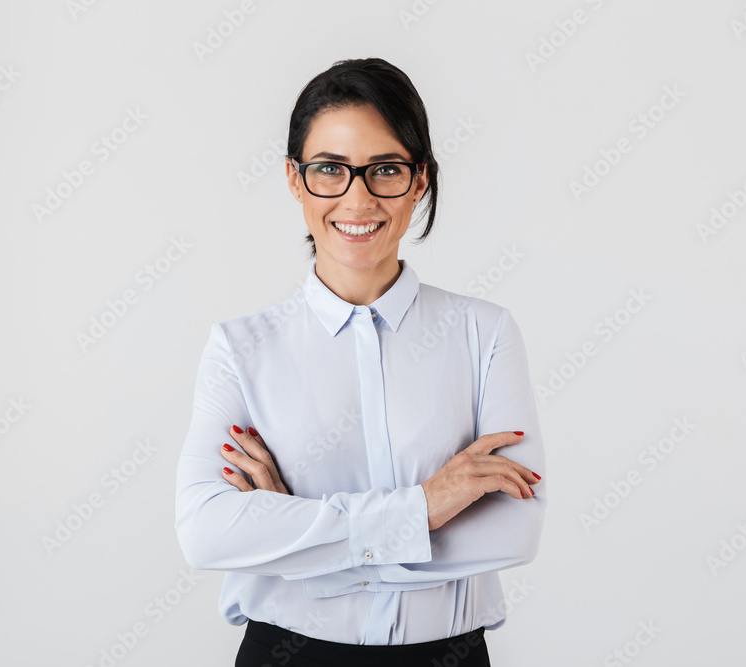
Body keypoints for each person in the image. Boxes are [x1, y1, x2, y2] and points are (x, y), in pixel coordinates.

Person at [175, 57, 546, 667]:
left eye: (385, 169)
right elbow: (206, 531)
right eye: (330, 169)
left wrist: (292, 533)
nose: (358, 197)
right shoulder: (239, 348)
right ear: (295, 179)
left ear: (419, 179)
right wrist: (424, 507)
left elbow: (514, 532)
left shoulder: (485, 333)